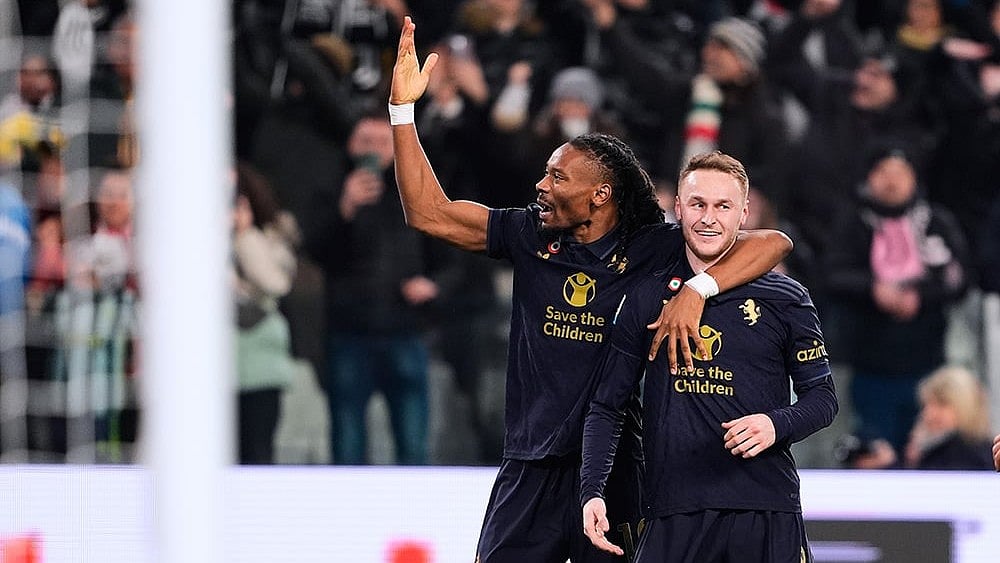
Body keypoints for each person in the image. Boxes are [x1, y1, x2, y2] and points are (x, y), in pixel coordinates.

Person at [389, 17, 792, 562]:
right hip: (531, 463)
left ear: (601, 194)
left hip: (618, 469)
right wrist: (402, 112)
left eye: (557, 177)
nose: (541, 185)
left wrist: (698, 288)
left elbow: (771, 242)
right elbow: (428, 213)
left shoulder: (654, 246)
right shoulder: (528, 233)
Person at [580, 151, 838, 562]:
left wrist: (776, 423)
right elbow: (607, 406)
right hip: (672, 510)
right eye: (698, 204)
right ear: (678, 208)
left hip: (765, 506)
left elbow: (823, 400)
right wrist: (592, 490)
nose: (708, 218)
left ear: (744, 213)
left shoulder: (787, 298)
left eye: (723, 206)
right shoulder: (647, 296)